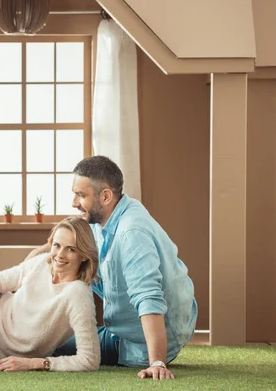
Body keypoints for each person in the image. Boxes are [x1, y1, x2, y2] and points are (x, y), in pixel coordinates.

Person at [29, 156, 198, 380]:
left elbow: (148, 297)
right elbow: (68, 238)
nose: (74, 202)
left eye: (81, 195)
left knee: (38, 342)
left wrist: (157, 362)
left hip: (137, 343)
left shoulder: (131, 233)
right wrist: (39, 255)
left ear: (106, 196)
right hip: (126, 328)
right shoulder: (107, 216)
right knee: (40, 332)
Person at [0, 217, 101, 372]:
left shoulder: (78, 293)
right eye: (57, 245)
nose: (59, 255)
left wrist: (34, 363)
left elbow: (90, 360)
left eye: (71, 249)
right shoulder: (42, 262)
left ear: (83, 255)